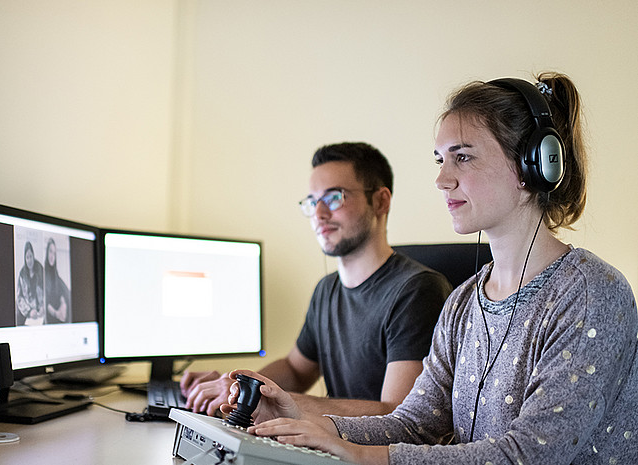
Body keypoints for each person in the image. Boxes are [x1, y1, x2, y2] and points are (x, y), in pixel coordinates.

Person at [225, 73, 638, 464]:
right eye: (441, 160)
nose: (442, 179)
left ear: (532, 166)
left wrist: (361, 455)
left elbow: (529, 455)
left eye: (463, 157)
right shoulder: (463, 302)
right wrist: (310, 423)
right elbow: (414, 424)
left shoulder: (591, 293)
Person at [181, 142, 452, 417]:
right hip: (328, 439)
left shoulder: (417, 291)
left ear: (381, 201)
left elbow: (397, 415)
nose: (319, 214)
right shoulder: (326, 289)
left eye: (334, 198)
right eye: (312, 202)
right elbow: (296, 370)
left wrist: (265, 399)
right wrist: (238, 386)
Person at [16, 241, 44, 325]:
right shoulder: (22, 274)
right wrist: (29, 311)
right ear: (25, 259)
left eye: (31, 256)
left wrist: (43, 307)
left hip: (40, 311)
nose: (29, 260)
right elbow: (19, 297)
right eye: (27, 257)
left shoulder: (40, 269)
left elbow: (47, 290)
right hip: (28, 312)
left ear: (33, 256)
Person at [44, 237, 71, 324]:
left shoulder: (55, 273)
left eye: (54, 253)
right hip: (51, 316)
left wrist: (63, 304)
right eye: (50, 252)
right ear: (47, 252)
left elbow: (62, 290)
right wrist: (56, 314)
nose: (52, 256)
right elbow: (45, 301)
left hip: (59, 315)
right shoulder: (43, 273)